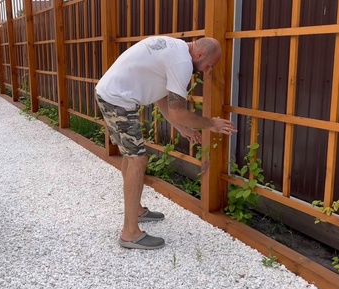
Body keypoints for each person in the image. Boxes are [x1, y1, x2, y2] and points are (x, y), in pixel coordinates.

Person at [95, 36, 237, 250]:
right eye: (210, 65)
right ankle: (129, 233)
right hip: (118, 100)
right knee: (137, 159)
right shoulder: (182, 63)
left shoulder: (176, 49)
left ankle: (137, 211)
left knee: (131, 155)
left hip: (112, 94)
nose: (208, 70)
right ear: (199, 54)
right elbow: (177, 111)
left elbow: (163, 98)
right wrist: (211, 124)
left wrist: (182, 128)